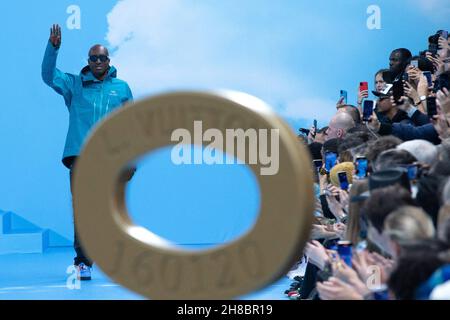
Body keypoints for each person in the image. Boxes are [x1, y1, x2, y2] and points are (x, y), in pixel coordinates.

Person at [42, 24, 134, 280]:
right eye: (93, 58)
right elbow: (48, 75)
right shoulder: (74, 84)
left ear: (108, 60)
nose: (97, 62)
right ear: (88, 61)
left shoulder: (122, 88)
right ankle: (83, 261)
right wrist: (53, 48)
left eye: (101, 58)